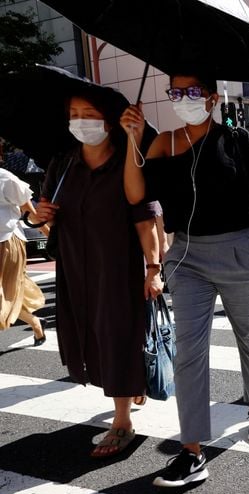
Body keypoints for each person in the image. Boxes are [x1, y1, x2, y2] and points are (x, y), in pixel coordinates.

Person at [121, 73, 249, 487]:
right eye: (176, 92)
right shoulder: (163, 141)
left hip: (239, 250)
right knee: (189, 353)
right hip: (186, 255)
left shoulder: (236, 140)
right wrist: (132, 138)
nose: (183, 99)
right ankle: (192, 450)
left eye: (192, 92)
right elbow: (135, 195)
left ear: (213, 98)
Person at [35, 88, 162, 459]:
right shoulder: (62, 164)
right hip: (74, 268)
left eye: (87, 112)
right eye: (73, 113)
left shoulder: (127, 160)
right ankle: (130, 382)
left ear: (107, 120)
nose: (79, 121)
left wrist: (153, 269)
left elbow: (144, 219)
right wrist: (38, 217)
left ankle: (121, 421)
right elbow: (45, 219)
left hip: (118, 267)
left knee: (115, 334)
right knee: (90, 334)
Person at [0, 167, 46, 345]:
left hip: (7, 243)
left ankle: (35, 323)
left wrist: (52, 238)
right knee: (10, 292)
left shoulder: (6, 178)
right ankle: (36, 323)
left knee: (7, 293)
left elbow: (32, 215)